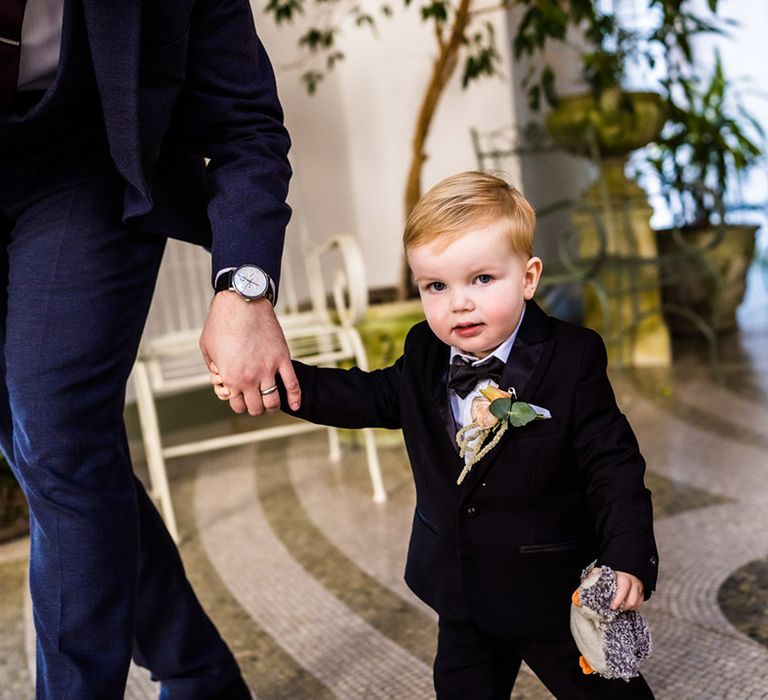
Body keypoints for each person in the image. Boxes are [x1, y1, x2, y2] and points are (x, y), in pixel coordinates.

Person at [212, 171, 659, 698]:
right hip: (461, 589)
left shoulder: (573, 357)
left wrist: (627, 553)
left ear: (529, 277)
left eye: (482, 279)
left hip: (550, 591)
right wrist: (282, 379)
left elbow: (614, 466)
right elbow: (371, 396)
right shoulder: (425, 349)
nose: (458, 303)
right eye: (436, 286)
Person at [0, 0, 301, 697]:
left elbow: (244, 123)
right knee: (47, 457)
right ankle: (201, 677)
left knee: (58, 431)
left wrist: (245, 288)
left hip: (87, 165)